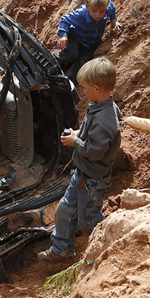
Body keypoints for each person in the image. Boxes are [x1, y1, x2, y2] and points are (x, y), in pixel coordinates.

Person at [37, 56, 122, 264]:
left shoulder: (105, 119)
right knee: (64, 211)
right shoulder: (99, 106)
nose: (83, 92)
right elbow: (91, 135)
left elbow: (94, 152)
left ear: (96, 88)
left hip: (93, 180)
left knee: (89, 221)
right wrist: (78, 133)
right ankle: (62, 249)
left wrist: (75, 142)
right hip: (82, 175)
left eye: (84, 88)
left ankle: (104, 252)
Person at [54, 0, 117, 82]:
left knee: (82, 65)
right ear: (87, 6)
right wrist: (64, 36)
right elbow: (64, 20)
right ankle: (51, 59)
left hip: (90, 43)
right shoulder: (81, 13)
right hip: (75, 37)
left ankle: (65, 83)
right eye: (94, 11)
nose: (98, 15)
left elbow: (112, 8)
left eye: (102, 11)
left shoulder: (108, 7)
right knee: (71, 54)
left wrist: (114, 23)